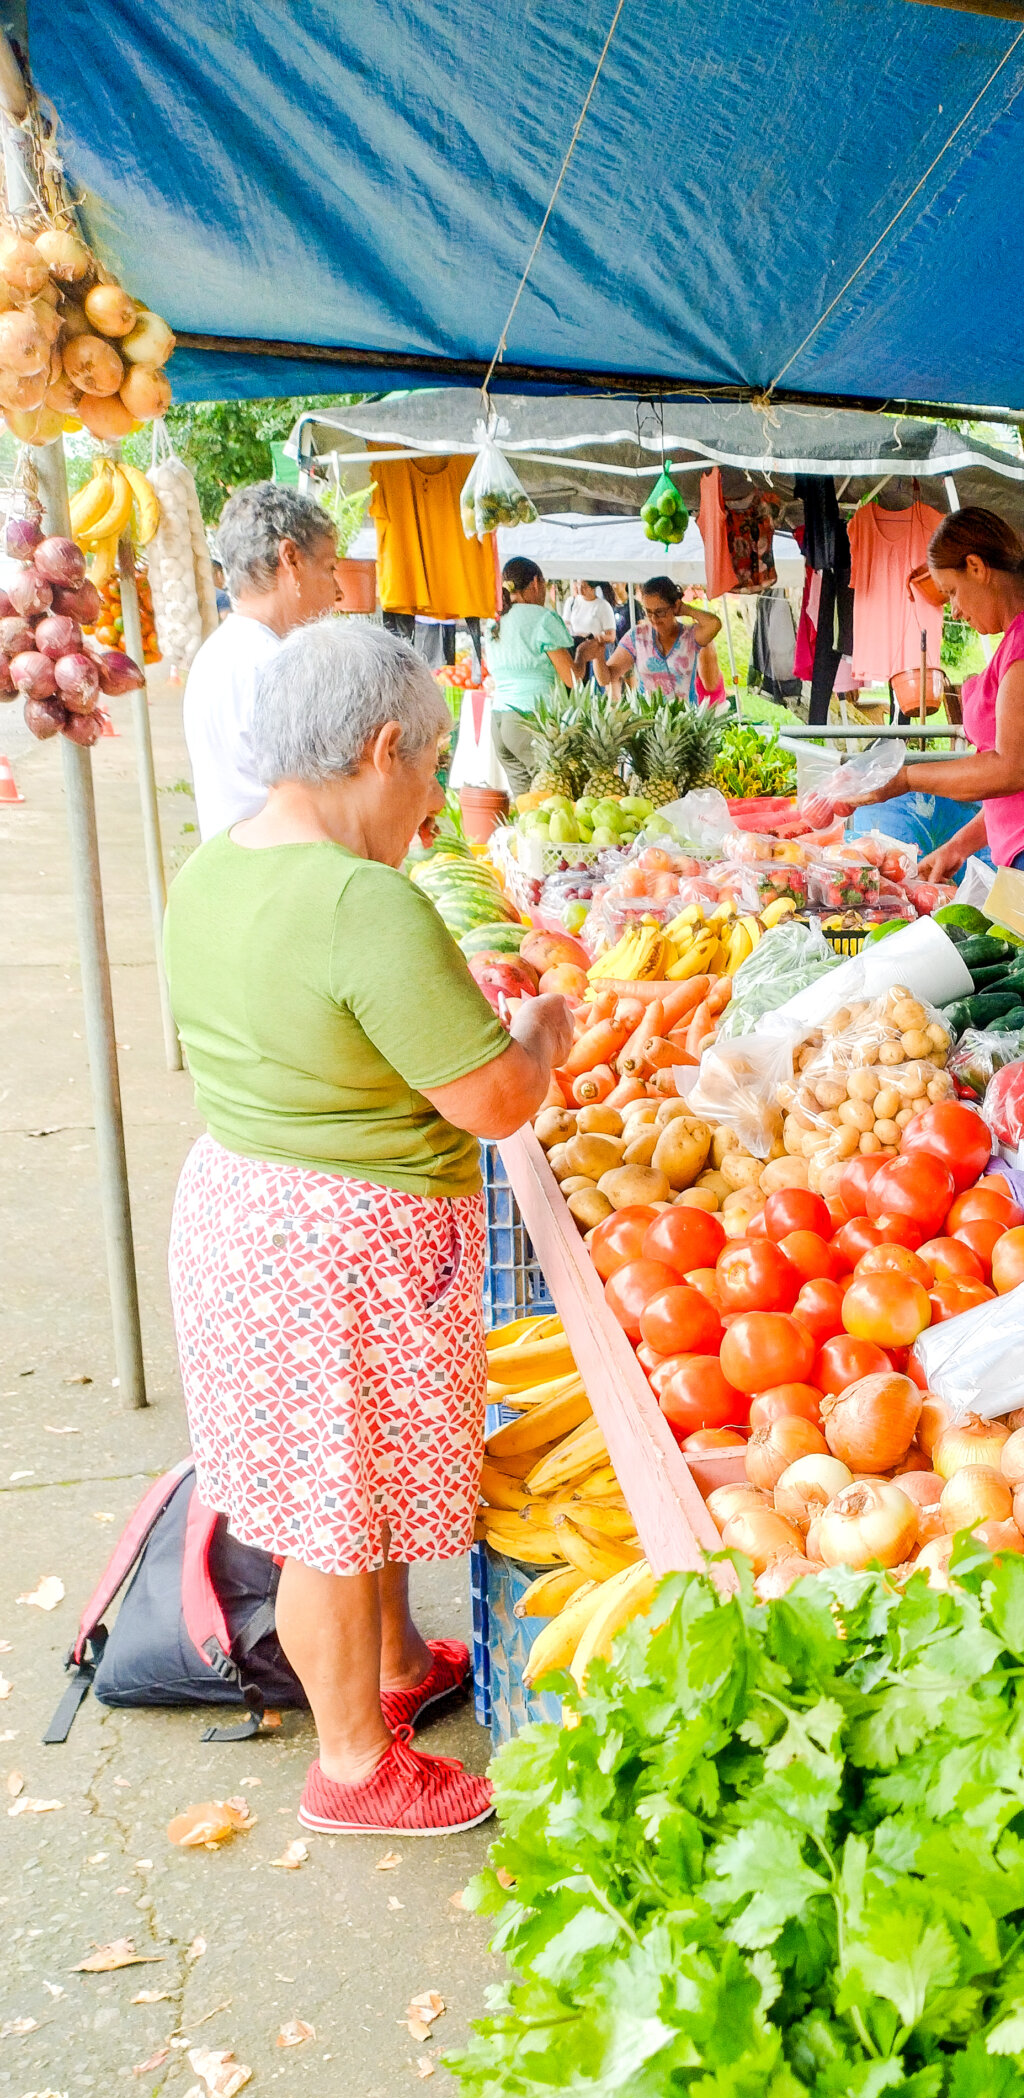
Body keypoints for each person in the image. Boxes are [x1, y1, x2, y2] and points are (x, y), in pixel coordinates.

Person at [163, 621, 573, 1836]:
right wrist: (542, 1032)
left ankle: (395, 1666)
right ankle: (352, 1766)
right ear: (384, 748)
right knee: (331, 1520)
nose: (438, 796)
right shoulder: (363, 902)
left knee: (349, 1484)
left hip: (246, 1209)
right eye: (435, 764)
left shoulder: (214, 864)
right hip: (341, 1241)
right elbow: (496, 1101)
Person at [831, 507, 1024, 938]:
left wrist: (906, 779)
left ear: (977, 568)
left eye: (953, 592)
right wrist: (956, 848)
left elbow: (1013, 769)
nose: (955, 611)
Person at [183, 485, 340, 838]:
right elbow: (329, 800)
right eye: (330, 568)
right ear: (291, 560)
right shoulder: (280, 666)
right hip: (284, 874)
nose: (338, 591)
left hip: (236, 870)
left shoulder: (216, 653)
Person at [488, 557, 577, 794]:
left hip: (499, 720)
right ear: (537, 583)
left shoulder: (496, 620)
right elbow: (572, 679)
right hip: (530, 719)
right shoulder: (542, 619)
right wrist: (585, 655)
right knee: (551, 800)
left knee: (526, 805)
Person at [602, 576, 723, 703]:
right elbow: (607, 677)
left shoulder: (690, 636)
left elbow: (714, 624)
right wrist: (598, 656)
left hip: (686, 719)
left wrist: (685, 609)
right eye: (648, 612)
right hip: (649, 719)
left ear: (674, 606)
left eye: (660, 612)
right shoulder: (637, 636)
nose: (654, 618)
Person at [562, 578, 619, 685]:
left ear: (593, 588)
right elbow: (566, 624)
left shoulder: (603, 606)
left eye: (584, 586)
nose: (580, 589)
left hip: (592, 648)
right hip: (573, 647)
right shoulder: (572, 602)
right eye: (578, 585)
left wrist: (595, 637)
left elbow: (611, 636)